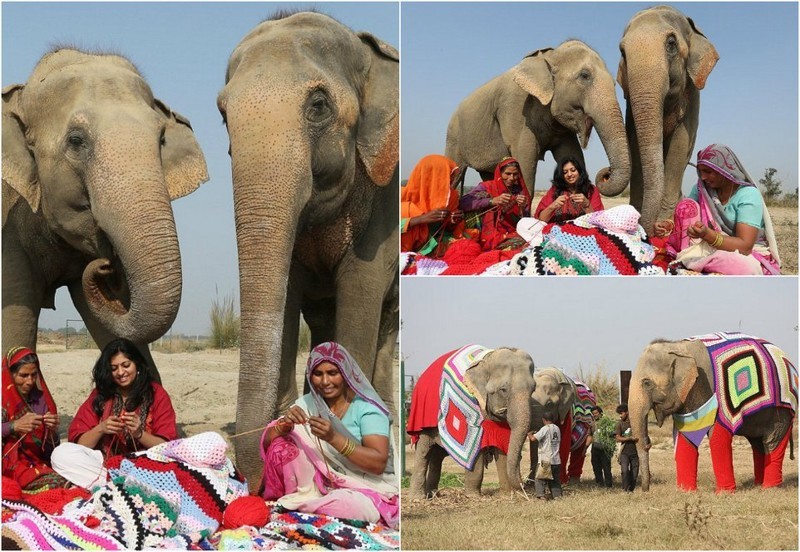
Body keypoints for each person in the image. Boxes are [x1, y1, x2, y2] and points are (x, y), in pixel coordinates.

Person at [260, 341, 398, 528]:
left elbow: (378, 464)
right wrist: (283, 426)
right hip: (315, 488)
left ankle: (302, 509)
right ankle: (303, 502)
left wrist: (333, 438)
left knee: (342, 508)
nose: (325, 382)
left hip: (365, 489)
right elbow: (268, 443)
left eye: (333, 373)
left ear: (346, 373)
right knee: (282, 446)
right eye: (318, 374)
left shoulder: (367, 409)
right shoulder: (307, 404)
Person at [656, 143, 781, 275]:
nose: (703, 177)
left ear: (724, 170)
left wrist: (708, 235)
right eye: (701, 171)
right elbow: (685, 212)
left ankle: (691, 262)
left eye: (708, 172)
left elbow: (745, 246)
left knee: (744, 267)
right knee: (686, 206)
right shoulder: (702, 189)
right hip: (707, 247)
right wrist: (668, 224)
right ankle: (693, 260)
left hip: (741, 252)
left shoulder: (748, 194)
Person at [68, 338, 177, 457]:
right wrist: (101, 428)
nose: (120, 372)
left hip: (145, 464)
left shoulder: (156, 394)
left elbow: (166, 447)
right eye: (114, 368)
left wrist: (139, 433)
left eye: (126, 365)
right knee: (61, 453)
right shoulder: (101, 394)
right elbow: (79, 445)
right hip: (103, 463)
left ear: (137, 365)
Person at [2, 347, 68, 491]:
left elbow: (50, 450)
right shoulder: (2, 398)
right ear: (10, 374)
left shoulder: (41, 401)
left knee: (62, 479)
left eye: (33, 375)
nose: (30, 381)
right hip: (5, 463)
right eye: (23, 375)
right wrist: (14, 426)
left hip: (33, 463)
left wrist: (51, 431)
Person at [460, 157, 532, 250]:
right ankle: (484, 241)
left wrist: (521, 207)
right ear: (499, 173)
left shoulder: (520, 192)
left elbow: (525, 219)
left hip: (510, 232)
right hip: (486, 229)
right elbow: (464, 202)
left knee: (528, 240)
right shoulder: (487, 186)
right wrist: (492, 201)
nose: (511, 178)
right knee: (484, 194)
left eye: (515, 174)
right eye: (508, 174)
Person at [401, 154, 466, 257]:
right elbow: (389, 228)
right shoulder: (402, 195)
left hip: (434, 240)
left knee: (466, 245)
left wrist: (453, 221)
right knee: (406, 210)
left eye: (453, 176)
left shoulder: (451, 196)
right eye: (448, 175)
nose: (452, 180)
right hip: (409, 244)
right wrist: (421, 219)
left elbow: (449, 228)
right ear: (432, 175)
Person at [534, 156, 604, 223]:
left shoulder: (591, 190)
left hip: (584, 231)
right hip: (557, 231)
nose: (569, 174)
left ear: (580, 171)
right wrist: (553, 205)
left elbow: (599, 220)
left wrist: (587, 205)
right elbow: (541, 219)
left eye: (573, 170)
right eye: (565, 172)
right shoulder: (555, 190)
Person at [528, 412, 562, 500]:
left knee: (540, 478)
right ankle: (557, 496)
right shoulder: (557, 428)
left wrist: (529, 434)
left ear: (543, 420)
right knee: (555, 480)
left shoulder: (545, 428)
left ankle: (541, 496)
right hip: (556, 459)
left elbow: (533, 439)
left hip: (546, 459)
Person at [587, 406, 614, 488]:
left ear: (600, 413)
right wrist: (585, 448)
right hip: (595, 449)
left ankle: (609, 485)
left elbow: (613, 435)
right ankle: (599, 484)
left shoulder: (607, 423)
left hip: (605, 450)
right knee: (596, 467)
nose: (594, 415)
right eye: (593, 414)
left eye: (596, 413)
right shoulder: (592, 424)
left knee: (606, 468)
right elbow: (590, 436)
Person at [615, 403, 639, 492]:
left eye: (621, 413)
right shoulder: (619, 424)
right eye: (619, 414)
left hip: (635, 452)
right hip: (624, 452)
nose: (620, 416)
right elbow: (617, 438)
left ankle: (631, 490)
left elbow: (644, 435)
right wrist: (629, 438)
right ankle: (625, 490)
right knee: (624, 471)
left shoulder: (635, 424)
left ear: (627, 412)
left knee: (634, 474)